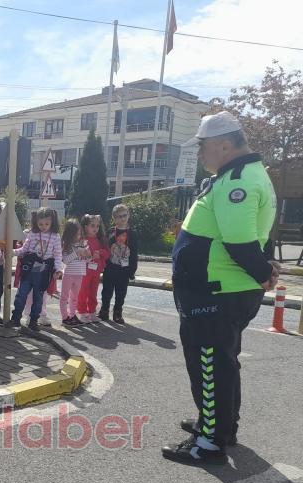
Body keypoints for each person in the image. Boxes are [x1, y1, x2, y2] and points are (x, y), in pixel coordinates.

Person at [162, 111, 279, 464]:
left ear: (224, 145)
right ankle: (219, 425)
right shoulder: (237, 175)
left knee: (209, 365)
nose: (200, 154)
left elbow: (240, 242)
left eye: (203, 146)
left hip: (217, 292)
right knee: (221, 363)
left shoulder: (237, 181)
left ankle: (210, 443)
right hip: (218, 290)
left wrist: (263, 273)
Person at [6, 207, 63, 332]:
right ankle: (15, 319)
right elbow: (24, 250)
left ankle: (33, 321)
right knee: (21, 294)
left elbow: (58, 255)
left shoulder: (55, 236)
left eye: (47, 224)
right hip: (29, 269)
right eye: (40, 224)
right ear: (36, 222)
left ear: (52, 222)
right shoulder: (32, 234)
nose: (43, 226)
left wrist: (58, 269)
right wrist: (12, 252)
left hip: (44, 271)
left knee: (38, 298)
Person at [98, 203, 139, 324]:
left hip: (124, 269)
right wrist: (102, 266)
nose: (122, 218)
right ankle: (104, 311)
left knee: (121, 293)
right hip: (110, 268)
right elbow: (105, 249)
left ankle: (117, 312)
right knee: (106, 291)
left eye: (124, 215)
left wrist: (132, 270)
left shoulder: (133, 234)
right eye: (119, 216)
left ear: (128, 215)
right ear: (114, 218)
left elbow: (134, 253)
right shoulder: (110, 232)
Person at [76, 214, 110, 323]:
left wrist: (100, 252)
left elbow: (107, 253)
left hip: (96, 271)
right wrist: (85, 254)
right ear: (85, 226)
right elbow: (76, 253)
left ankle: (92, 312)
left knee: (93, 292)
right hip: (84, 271)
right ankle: (82, 312)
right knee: (83, 292)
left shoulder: (101, 240)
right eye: (92, 225)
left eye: (97, 226)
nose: (95, 228)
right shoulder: (81, 239)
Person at [59, 218, 91, 327]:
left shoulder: (82, 244)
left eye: (79, 234)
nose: (78, 236)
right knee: (64, 297)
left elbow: (87, 260)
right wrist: (76, 253)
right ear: (69, 234)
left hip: (79, 274)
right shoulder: (66, 246)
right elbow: (65, 260)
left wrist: (88, 255)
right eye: (76, 234)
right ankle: (65, 318)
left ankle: (72, 316)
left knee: (74, 297)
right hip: (68, 274)